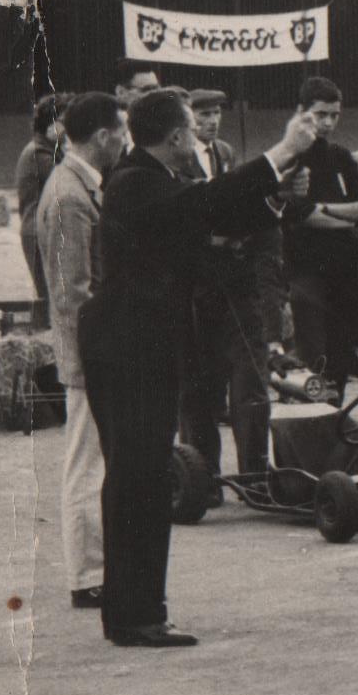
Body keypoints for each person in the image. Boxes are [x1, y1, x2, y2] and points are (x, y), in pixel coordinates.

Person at [82, 89, 319, 647]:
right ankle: (137, 616)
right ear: (177, 137)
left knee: (136, 478)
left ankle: (132, 610)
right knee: (139, 479)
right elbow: (208, 206)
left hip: (135, 345)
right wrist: (282, 151)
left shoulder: (149, 182)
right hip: (132, 348)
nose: (199, 136)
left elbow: (214, 215)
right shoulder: (137, 184)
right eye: (192, 127)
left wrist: (275, 198)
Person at [34, 94, 124, 611]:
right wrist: (101, 352)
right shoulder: (69, 197)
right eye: (122, 132)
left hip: (93, 347)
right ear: (103, 137)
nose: (126, 142)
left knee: (92, 460)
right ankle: (87, 573)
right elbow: (73, 294)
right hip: (90, 351)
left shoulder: (80, 187)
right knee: (86, 462)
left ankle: (94, 566)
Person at [175, 87, 289, 483]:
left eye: (216, 113)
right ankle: (201, 478)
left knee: (250, 382)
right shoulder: (176, 160)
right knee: (202, 388)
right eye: (203, 114)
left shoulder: (224, 153)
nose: (211, 121)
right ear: (186, 119)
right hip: (197, 282)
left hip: (235, 277)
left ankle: (255, 474)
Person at [278, 76, 358, 389]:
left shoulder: (340, 156)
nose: (327, 122)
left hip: (345, 271)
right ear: (301, 111)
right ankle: (312, 428)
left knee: (341, 355)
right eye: (320, 114)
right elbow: (300, 215)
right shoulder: (290, 158)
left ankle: (336, 422)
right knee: (313, 357)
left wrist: (325, 209)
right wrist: (347, 216)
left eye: (334, 115)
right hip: (307, 271)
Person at [14, 95, 67, 329]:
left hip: (38, 231)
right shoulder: (40, 154)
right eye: (66, 121)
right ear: (52, 123)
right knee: (51, 299)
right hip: (39, 232)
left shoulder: (46, 150)